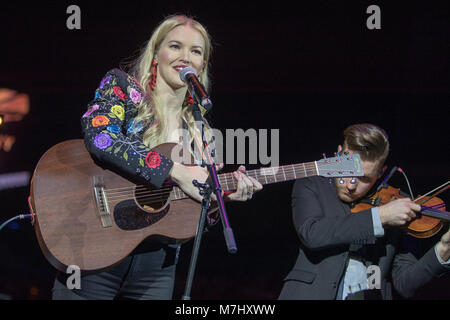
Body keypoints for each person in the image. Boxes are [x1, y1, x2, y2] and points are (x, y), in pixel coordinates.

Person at [52, 14, 262, 300]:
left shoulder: (202, 134)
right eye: (175, 46)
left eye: (196, 51)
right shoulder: (123, 87)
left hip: (156, 267)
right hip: (94, 247)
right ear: (156, 52)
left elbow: (191, 213)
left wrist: (219, 200)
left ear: (202, 66)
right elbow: (102, 137)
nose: (185, 57)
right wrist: (174, 169)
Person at [278, 123, 450, 300]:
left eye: (364, 178)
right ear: (338, 155)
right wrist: (380, 217)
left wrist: (443, 250)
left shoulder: (398, 205)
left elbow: (405, 284)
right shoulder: (313, 182)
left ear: (381, 172)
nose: (352, 185)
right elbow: (312, 233)